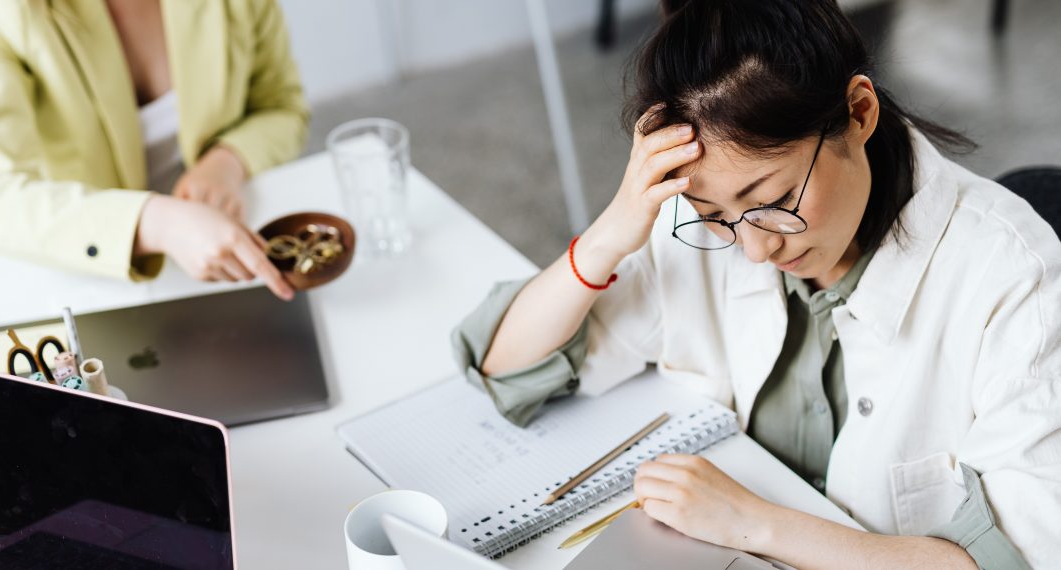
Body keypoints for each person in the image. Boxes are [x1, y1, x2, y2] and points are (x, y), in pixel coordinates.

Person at [452, 0, 1059, 567]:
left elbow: (1019, 556)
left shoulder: (1013, 277)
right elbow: (506, 369)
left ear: (859, 112)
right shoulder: (693, 225)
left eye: (773, 200)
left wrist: (754, 524)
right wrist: (614, 230)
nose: (755, 247)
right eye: (714, 216)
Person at [0, 0, 307, 301]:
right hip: (31, 272)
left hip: (199, 257)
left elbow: (281, 106)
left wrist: (229, 159)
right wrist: (153, 222)